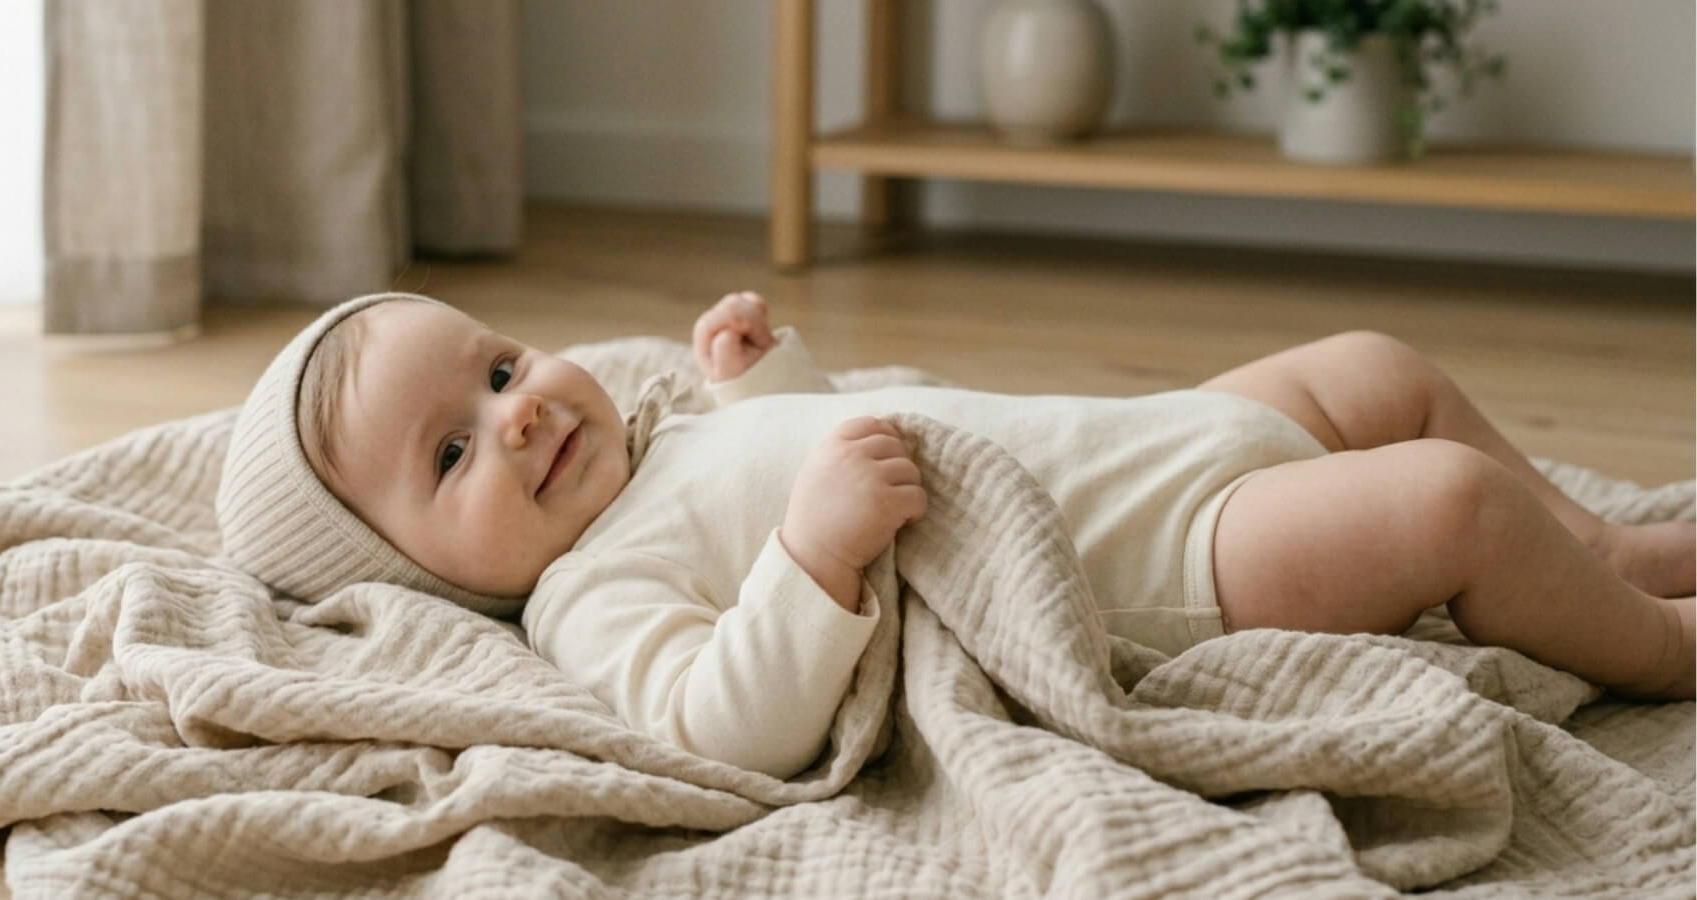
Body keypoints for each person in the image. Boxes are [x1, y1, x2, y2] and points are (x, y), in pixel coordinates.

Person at [216, 291, 1695, 779]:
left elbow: (837, 430)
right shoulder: (590, 595)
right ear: (417, 573)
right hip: (1183, 550)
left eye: (500, 368)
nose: (525, 412)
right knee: (1449, 505)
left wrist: (763, 385)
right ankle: (1659, 645)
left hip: (1165, 436)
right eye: (457, 452)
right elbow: (719, 722)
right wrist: (808, 561)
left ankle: (1601, 556)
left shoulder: (664, 435)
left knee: (1378, 369)